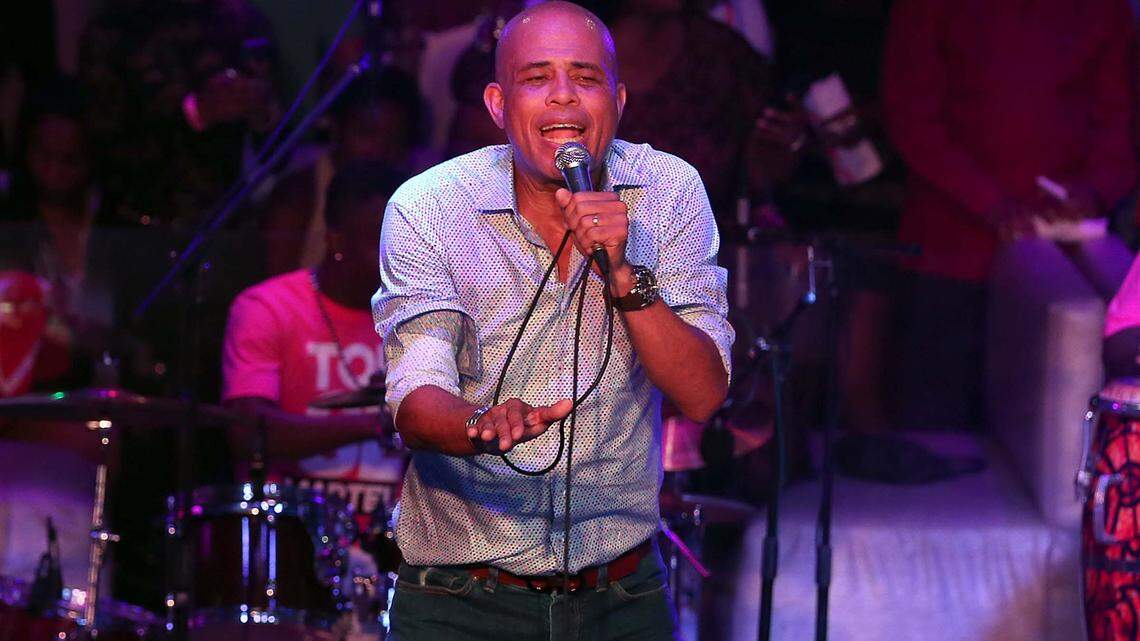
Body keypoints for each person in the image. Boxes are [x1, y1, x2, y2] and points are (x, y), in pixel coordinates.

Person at [371, 3, 732, 639]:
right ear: (497, 103)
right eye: (537, 78)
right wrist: (479, 424)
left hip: (621, 596)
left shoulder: (669, 191)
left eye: (585, 78)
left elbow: (703, 393)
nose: (563, 97)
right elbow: (414, 397)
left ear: (617, 100)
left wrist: (625, 278)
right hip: (463, 601)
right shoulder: (429, 207)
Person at [882, 0, 1138, 429]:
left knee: (1051, 439)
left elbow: (1118, 124)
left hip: (1060, 269)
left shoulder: (1104, 10)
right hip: (949, 255)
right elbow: (911, 114)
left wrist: (1094, 190)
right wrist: (989, 202)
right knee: (937, 434)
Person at [222, 160, 406, 532]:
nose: (397, 256)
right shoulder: (268, 308)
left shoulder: (421, 314)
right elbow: (248, 433)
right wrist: (379, 424)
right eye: (380, 241)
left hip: (393, 540)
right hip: (290, 531)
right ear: (337, 241)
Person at [261, 66, 429, 275]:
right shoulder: (299, 194)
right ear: (337, 129)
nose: (380, 149)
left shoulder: (421, 198)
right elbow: (277, 288)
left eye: (395, 138)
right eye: (366, 133)